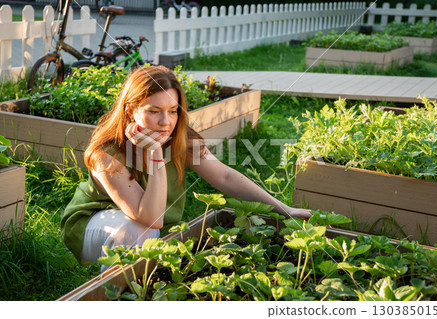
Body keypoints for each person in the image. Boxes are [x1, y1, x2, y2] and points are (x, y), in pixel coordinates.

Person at [61, 66, 311, 268]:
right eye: (154, 111)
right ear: (130, 111)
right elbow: (150, 219)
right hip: (94, 224)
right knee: (138, 230)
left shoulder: (179, 138)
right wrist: (156, 156)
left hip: (153, 228)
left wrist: (284, 209)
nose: (165, 121)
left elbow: (224, 176)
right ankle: (110, 299)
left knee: (149, 237)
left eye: (173, 111)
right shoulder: (106, 153)